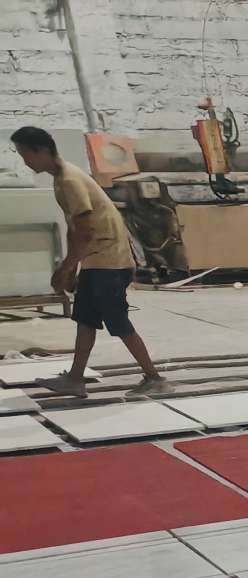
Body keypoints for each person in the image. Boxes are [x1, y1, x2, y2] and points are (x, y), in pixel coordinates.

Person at [9, 125, 168, 399]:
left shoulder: (70, 180)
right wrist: (71, 267)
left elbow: (85, 231)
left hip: (110, 261)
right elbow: (75, 229)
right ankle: (75, 378)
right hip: (97, 260)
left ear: (42, 151)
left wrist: (65, 268)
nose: (25, 162)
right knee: (85, 318)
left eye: (26, 155)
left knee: (117, 322)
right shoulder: (61, 178)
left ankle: (155, 378)